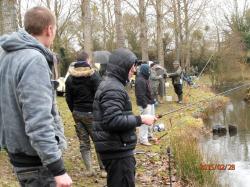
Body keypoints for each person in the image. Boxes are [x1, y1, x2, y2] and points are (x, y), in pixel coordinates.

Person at [0, 7, 72, 187]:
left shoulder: (7, 55)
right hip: (36, 162)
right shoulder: (33, 60)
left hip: (18, 153)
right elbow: (38, 120)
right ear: (49, 29)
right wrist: (58, 169)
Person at [92, 48, 157, 187]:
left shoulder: (112, 84)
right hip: (117, 152)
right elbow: (112, 120)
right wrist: (141, 119)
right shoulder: (113, 88)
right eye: (132, 66)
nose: (134, 70)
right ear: (123, 66)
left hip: (116, 149)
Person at [65, 50, 106, 177]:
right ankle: (103, 169)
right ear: (87, 60)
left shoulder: (70, 78)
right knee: (98, 140)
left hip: (77, 113)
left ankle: (89, 169)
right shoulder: (94, 76)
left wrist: (74, 110)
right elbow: (100, 95)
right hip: (92, 113)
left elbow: (68, 98)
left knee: (83, 142)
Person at [135, 64, 156, 146]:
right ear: (144, 70)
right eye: (148, 70)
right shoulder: (140, 80)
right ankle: (143, 139)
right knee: (144, 122)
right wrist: (144, 105)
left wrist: (152, 101)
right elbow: (140, 95)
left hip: (150, 103)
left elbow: (148, 92)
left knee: (151, 120)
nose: (149, 71)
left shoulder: (145, 78)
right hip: (145, 104)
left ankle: (149, 136)